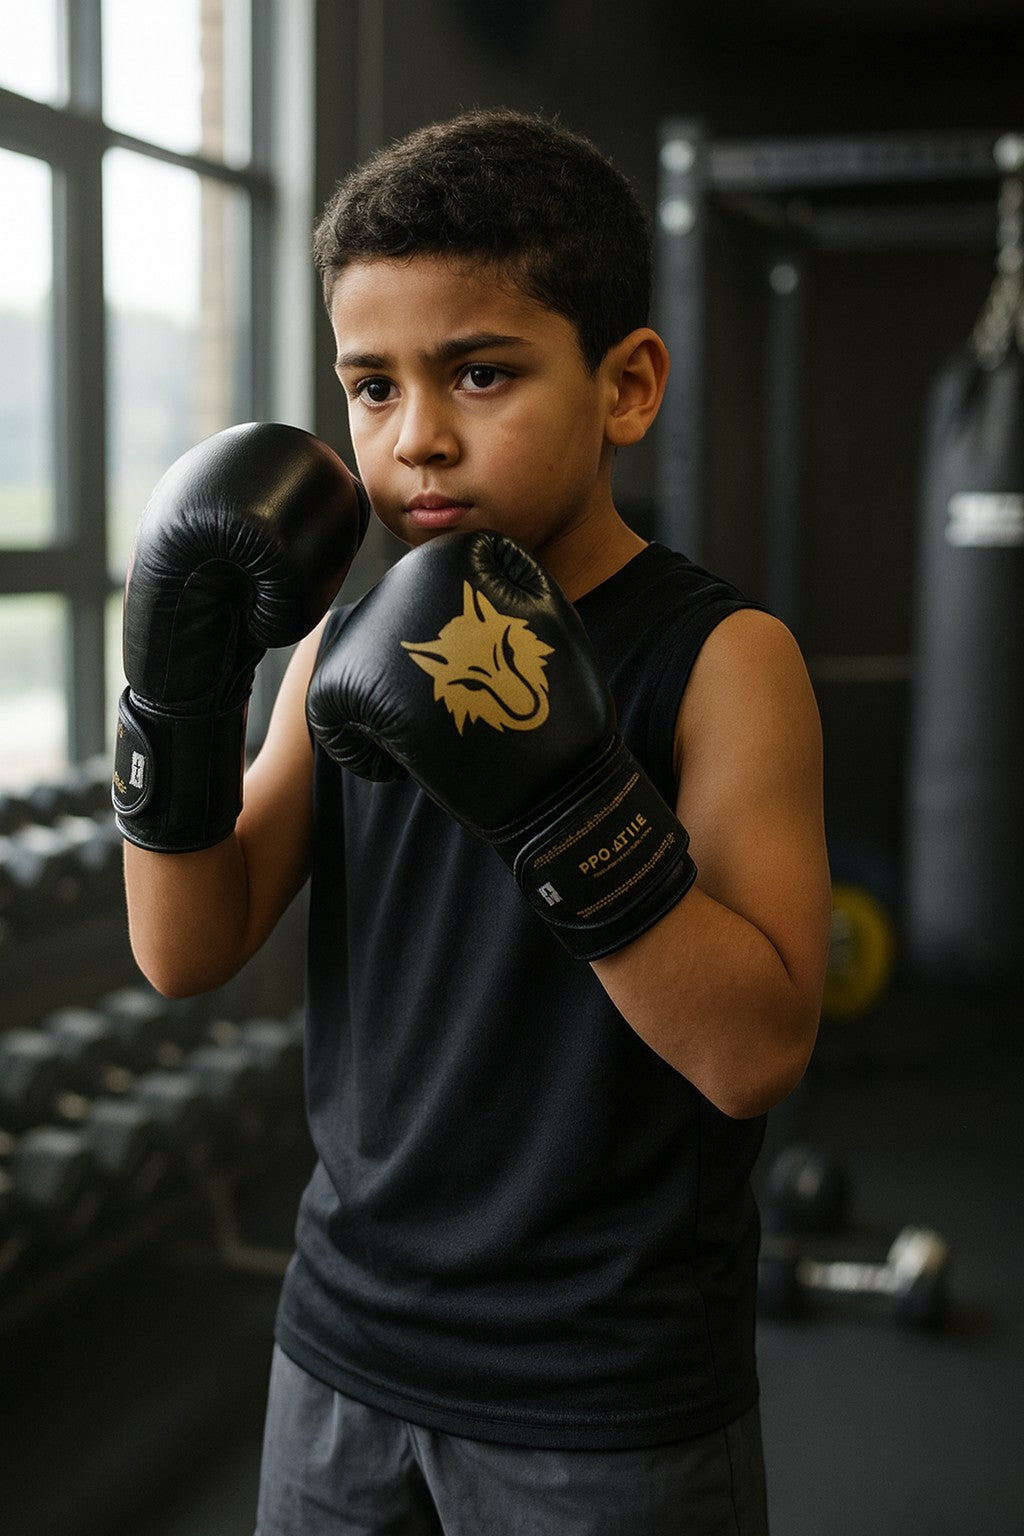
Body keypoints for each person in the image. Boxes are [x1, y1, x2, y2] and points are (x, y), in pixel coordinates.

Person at [117, 110, 831, 1535]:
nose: (416, 440)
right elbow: (186, 950)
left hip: (600, 1388)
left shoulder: (722, 659)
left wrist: (557, 794)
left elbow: (755, 1054)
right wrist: (171, 699)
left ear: (625, 386)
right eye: (370, 389)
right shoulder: (339, 647)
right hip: (341, 1350)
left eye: (481, 374)